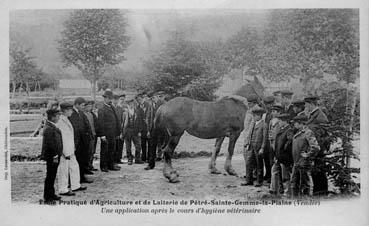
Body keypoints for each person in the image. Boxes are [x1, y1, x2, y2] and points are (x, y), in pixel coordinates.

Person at [56, 102, 87, 196]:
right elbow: (63, 138)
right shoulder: (60, 121)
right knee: (63, 169)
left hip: (70, 148)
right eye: (70, 110)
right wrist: (65, 151)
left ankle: (75, 185)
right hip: (64, 150)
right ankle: (63, 189)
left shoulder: (66, 119)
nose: (72, 112)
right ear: (65, 110)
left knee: (74, 166)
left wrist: (72, 147)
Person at [304, 95, 329, 195]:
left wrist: (317, 150)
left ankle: (322, 192)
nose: (306, 107)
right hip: (315, 148)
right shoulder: (314, 114)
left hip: (319, 149)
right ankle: (317, 192)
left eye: (306, 105)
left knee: (320, 171)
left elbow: (323, 135)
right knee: (315, 171)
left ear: (311, 104)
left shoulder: (320, 116)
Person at [290, 114, 320, 197]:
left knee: (305, 183)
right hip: (297, 162)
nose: (294, 125)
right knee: (294, 182)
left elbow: (316, 147)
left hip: (304, 162)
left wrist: (307, 155)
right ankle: (295, 202)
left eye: (295, 123)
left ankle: (306, 202)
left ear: (300, 123)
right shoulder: (299, 132)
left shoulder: (308, 132)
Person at [69, 97, 93, 183]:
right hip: (75, 141)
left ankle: (82, 177)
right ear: (76, 105)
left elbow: (87, 125)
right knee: (75, 161)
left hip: (83, 141)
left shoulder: (81, 113)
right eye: (82, 105)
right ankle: (74, 179)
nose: (83, 107)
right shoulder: (71, 114)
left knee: (82, 159)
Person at [40, 109, 62, 204]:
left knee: (52, 175)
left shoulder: (51, 126)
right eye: (57, 116)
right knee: (50, 176)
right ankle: (47, 197)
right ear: (52, 117)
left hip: (54, 155)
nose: (59, 118)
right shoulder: (49, 128)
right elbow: (50, 144)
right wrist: (55, 155)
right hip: (52, 156)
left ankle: (51, 194)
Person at [269, 113, 293, 196]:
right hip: (279, 156)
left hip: (284, 157)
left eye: (280, 121)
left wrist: (283, 152)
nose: (279, 123)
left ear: (285, 121)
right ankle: (274, 190)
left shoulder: (289, 130)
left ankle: (287, 193)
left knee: (285, 176)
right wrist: (276, 155)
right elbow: (277, 144)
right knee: (274, 171)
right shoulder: (281, 130)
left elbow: (289, 143)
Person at [97, 90, 121, 172]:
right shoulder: (101, 109)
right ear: (105, 98)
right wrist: (102, 135)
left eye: (111, 98)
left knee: (112, 149)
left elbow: (116, 119)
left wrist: (118, 132)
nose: (110, 100)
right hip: (106, 134)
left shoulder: (112, 107)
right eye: (108, 98)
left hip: (113, 133)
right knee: (105, 150)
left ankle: (110, 165)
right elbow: (100, 123)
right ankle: (103, 166)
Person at [242, 106, 266, 187]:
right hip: (251, 146)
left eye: (255, 116)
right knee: (248, 163)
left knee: (259, 164)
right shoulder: (253, 124)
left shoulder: (264, 125)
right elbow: (250, 135)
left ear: (259, 116)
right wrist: (247, 143)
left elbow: (265, 138)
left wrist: (262, 148)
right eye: (253, 115)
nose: (253, 117)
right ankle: (249, 180)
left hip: (258, 147)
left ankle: (259, 181)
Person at [121, 96, 145, 165]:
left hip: (136, 131)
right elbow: (122, 123)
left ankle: (137, 159)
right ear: (127, 104)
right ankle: (130, 159)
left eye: (131, 103)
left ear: (133, 104)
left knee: (138, 146)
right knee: (128, 146)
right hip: (127, 131)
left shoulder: (137, 111)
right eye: (129, 104)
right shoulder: (125, 112)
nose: (130, 105)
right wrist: (122, 132)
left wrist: (140, 131)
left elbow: (140, 122)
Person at [261, 96, 275, 183]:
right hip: (265, 138)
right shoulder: (265, 115)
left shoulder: (273, 115)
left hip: (271, 139)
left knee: (271, 158)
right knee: (265, 157)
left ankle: (271, 176)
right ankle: (267, 174)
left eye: (269, 104)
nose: (268, 106)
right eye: (266, 105)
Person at [144, 91, 158, 170]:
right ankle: (151, 164)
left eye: (154, 97)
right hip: (153, 130)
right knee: (152, 146)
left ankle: (167, 163)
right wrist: (148, 130)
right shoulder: (150, 106)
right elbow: (148, 118)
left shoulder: (162, 105)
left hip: (161, 129)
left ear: (157, 96)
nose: (153, 99)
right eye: (152, 98)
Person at [84, 100, 98, 171]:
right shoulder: (84, 115)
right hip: (88, 136)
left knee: (92, 151)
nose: (90, 107)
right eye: (89, 106)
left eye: (91, 106)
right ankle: (87, 166)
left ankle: (90, 165)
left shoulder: (91, 114)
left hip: (93, 134)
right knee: (88, 152)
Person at [136, 92, 149, 162]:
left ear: (143, 99)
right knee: (143, 144)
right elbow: (138, 120)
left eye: (140, 99)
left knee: (150, 144)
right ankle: (144, 158)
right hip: (142, 129)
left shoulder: (148, 105)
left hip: (149, 128)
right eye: (138, 100)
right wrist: (139, 131)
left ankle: (150, 157)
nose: (139, 101)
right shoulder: (137, 108)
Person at [112, 94, 124, 164]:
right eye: (114, 99)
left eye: (117, 99)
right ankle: (113, 160)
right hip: (113, 129)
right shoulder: (111, 108)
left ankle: (118, 159)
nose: (116, 101)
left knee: (119, 145)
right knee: (114, 146)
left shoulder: (120, 108)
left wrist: (121, 130)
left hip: (119, 129)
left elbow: (122, 119)